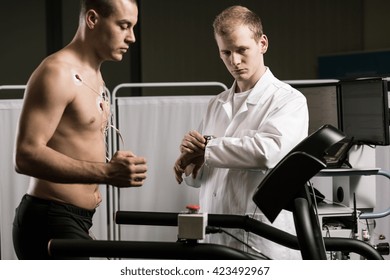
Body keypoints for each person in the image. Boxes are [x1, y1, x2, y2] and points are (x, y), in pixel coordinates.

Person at [12, 0, 147, 260]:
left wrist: (114, 164)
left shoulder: (94, 74)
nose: (131, 37)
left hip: (75, 219)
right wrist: (107, 172)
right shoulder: (57, 73)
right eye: (124, 26)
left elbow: (74, 141)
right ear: (93, 19)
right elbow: (25, 155)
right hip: (48, 220)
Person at [173, 5, 308, 260]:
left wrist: (208, 148)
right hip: (216, 234)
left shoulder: (288, 100)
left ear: (262, 43)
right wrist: (191, 163)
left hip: (262, 238)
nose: (234, 61)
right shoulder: (217, 103)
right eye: (226, 52)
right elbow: (206, 174)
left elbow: (268, 152)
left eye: (242, 50)